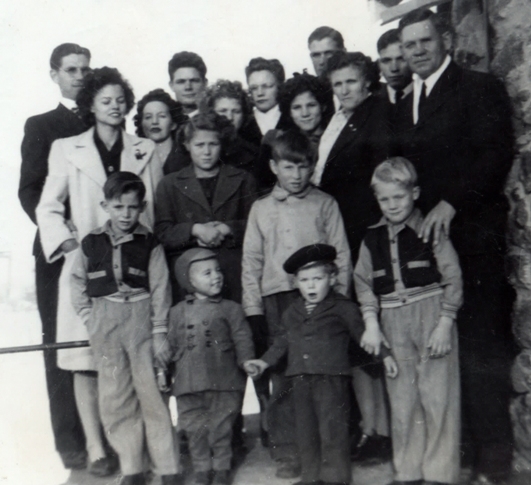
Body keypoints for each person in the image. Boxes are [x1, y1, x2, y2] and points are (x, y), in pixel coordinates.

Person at [395, 9, 515, 483]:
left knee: (482, 349)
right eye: (410, 45)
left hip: (473, 240)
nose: (418, 51)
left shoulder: (478, 87)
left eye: (425, 41)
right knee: (440, 356)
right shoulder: (405, 103)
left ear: (443, 38)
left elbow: (496, 152)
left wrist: (452, 203)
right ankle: (456, 456)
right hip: (428, 248)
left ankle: (494, 462)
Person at [36, 66, 163, 476]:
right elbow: (48, 207)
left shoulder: (144, 148)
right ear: (90, 104)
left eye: (121, 100)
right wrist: (70, 245)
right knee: (84, 357)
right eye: (105, 100)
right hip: (88, 265)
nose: (115, 107)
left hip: (135, 265)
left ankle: (138, 451)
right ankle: (95, 447)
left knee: (136, 359)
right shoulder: (65, 147)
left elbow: (155, 209)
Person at [241, 129, 352, 479]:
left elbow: (343, 254)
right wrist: (254, 309)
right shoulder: (261, 208)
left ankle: (328, 451)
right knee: (284, 375)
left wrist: (340, 300)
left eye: (304, 167)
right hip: (278, 298)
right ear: (274, 166)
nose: (296, 175)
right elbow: (251, 262)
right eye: (289, 167)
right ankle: (289, 450)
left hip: (323, 299)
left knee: (322, 375)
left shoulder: (325, 204)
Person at [247, 244, 398, 485]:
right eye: (304, 280)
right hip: (300, 378)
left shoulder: (343, 308)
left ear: (332, 278)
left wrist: (386, 355)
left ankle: (336, 479)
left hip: (331, 379)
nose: (311, 285)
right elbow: (282, 342)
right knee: (305, 432)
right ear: (295, 282)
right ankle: (311, 478)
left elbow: (364, 336)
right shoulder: (291, 311)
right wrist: (263, 363)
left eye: (318, 278)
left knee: (332, 431)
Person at [354, 157, 463, 485]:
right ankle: (409, 471)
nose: (391, 205)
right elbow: (363, 284)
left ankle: (440, 474)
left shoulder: (431, 228)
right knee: (403, 402)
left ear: (414, 193)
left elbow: (453, 277)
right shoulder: (371, 239)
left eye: (398, 197)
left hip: (431, 315)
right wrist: (372, 324)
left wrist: (445, 322)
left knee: (438, 397)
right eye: (384, 199)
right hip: (391, 321)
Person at [70, 172, 180, 485]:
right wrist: (89, 316)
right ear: (105, 205)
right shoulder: (91, 242)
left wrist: (159, 330)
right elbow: (77, 281)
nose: (126, 214)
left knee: (151, 394)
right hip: (105, 319)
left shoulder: (150, 242)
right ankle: (132, 467)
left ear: (141, 207)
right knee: (115, 396)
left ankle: (168, 468)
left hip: (142, 318)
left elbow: (160, 286)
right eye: (118, 207)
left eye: (132, 208)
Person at [313, 50, 395, 463]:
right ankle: (373, 429)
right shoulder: (338, 121)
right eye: (337, 84)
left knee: (370, 334)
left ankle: (381, 431)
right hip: (342, 236)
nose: (344, 90)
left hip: (364, 237)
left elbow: (381, 179)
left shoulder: (376, 116)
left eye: (350, 82)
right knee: (356, 338)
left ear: (367, 83)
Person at [18, 42, 90, 471]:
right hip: (58, 254)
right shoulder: (42, 125)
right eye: (70, 69)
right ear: (54, 74)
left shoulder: (106, 116)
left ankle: (109, 435)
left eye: (84, 69)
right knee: (60, 346)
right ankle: (71, 443)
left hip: (100, 251)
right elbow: (29, 190)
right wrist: (64, 238)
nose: (79, 76)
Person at [168, 248, 254, 485]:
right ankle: (202, 469)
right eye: (207, 273)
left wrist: (246, 361)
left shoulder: (231, 308)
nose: (216, 276)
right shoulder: (176, 312)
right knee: (194, 430)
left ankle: (222, 469)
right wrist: (163, 368)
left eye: (217, 270)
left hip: (223, 379)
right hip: (188, 382)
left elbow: (242, 337)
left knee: (221, 428)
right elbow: (171, 343)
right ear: (189, 280)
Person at [155, 111, 257, 304]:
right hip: (190, 280)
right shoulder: (169, 184)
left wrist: (227, 228)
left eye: (213, 144)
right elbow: (162, 232)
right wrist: (194, 230)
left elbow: (258, 225)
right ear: (187, 145)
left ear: (223, 144)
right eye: (199, 145)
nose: (207, 152)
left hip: (235, 273)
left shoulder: (243, 179)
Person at [204, 79, 259, 172]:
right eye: (223, 111)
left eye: (236, 111)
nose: (229, 117)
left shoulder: (253, 152)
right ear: (210, 113)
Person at [239, 57, 292, 148]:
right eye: (254, 88)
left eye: (267, 86)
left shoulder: (292, 119)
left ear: (279, 87)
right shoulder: (242, 124)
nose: (260, 93)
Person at [134, 88, 186, 175]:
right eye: (148, 117)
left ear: (173, 124)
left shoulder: (186, 156)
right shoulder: (133, 156)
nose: (154, 121)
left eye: (162, 116)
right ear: (141, 123)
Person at [376, 29, 412, 105]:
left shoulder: (426, 94)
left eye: (401, 59)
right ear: (379, 64)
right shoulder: (373, 102)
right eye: (386, 60)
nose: (394, 68)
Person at [168, 51, 208, 119]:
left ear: (205, 83)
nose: (188, 87)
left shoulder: (218, 120)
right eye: (181, 82)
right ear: (171, 86)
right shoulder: (166, 121)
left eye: (194, 81)